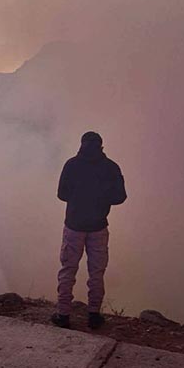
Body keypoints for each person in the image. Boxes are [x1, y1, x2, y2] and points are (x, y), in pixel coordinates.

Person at [52, 131, 127, 329]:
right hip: (98, 227)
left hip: (74, 226)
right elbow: (120, 197)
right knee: (96, 272)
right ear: (101, 146)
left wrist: (79, 198)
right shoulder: (110, 167)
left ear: (82, 145)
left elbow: (62, 194)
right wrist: (101, 198)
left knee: (68, 269)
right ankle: (94, 315)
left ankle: (63, 314)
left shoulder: (72, 165)